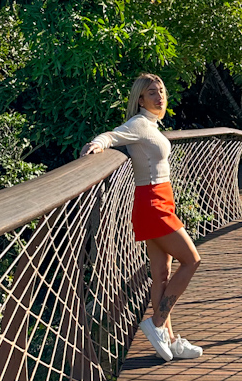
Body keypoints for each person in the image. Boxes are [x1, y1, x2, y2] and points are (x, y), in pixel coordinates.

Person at [80, 73, 203, 362]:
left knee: (162, 274)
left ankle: (170, 340)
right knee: (192, 260)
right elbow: (112, 135)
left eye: (161, 90)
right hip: (152, 203)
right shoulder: (138, 124)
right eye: (152, 93)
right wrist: (97, 145)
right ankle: (157, 324)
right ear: (140, 99)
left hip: (162, 199)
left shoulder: (152, 126)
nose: (160, 96)